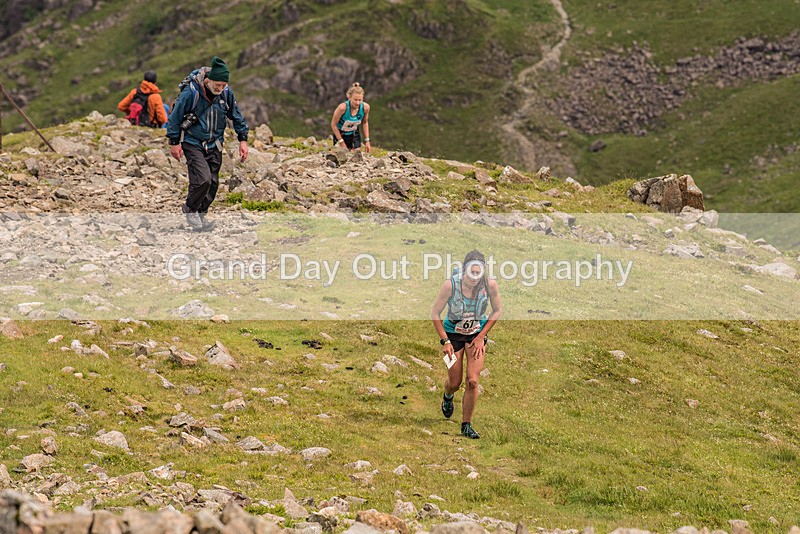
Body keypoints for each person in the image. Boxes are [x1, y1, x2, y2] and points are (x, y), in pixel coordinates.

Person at [167, 56, 249, 232]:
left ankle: (201, 217)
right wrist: (174, 142)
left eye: (223, 86)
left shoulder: (226, 93)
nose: (220, 89)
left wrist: (243, 139)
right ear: (208, 80)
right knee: (202, 179)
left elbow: (236, 115)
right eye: (217, 85)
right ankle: (190, 209)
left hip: (215, 144)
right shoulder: (192, 93)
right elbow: (174, 118)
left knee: (212, 184)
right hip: (192, 142)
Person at [431, 250, 502, 439]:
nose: (474, 277)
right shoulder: (450, 286)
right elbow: (435, 313)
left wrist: (481, 337)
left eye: (478, 273)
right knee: (455, 382)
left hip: (475, 335)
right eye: (472, 272)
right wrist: (444, 341)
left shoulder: (490, 285)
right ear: (465, 270)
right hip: (452, 336)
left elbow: (497, 311)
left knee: (472, 381)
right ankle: (448, 396)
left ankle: (466, 424)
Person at [330, 82, 371, 153]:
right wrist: (341, 142)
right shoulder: (342, 108)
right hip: (341, 134)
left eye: (360, 100)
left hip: (354, 133)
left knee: (356, 156)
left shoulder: (365, 108)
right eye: (355, 100)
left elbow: (365, 122)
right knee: (342, 154)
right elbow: (333, 125)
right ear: (349, 97)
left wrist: (367, 140)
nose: (358, 103)